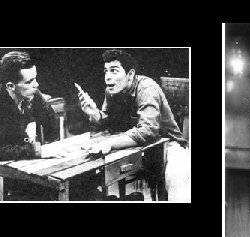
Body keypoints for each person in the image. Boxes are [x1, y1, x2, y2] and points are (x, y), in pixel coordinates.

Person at [76, 49, 190, 202]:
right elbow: (108, 122)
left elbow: (148, 130)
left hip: (169, 144)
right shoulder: (111, 91)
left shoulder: (146, 88)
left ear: (130, 75)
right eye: (106, 71)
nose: (108, 77)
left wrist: (110, 143)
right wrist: (95, 114)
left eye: (114, 71)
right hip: (138, 147)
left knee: (176, 178)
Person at [0, 51, 65, 198]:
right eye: (29, 81)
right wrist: (35, 152)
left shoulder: (31, 94)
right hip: (4, 174)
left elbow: (50, 123)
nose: (36, 85)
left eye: (35, 79)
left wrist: (39, 102)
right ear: (11, 86)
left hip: (27, 162)